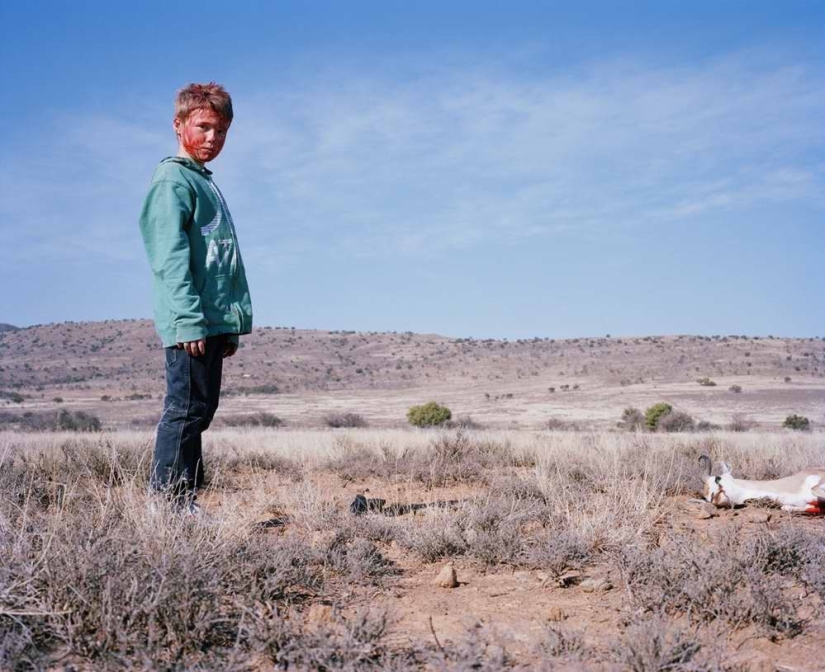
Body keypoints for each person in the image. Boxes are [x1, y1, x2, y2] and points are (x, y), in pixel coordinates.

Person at [139, 82, 253, 513]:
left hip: (209, 322)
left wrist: (226, 325)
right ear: (178, 125)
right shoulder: (172, 180)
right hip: (189, 322)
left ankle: (185, 500)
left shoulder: (204, 183)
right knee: (184, 411)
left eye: (221, 131)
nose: (212, 138)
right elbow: (168, 257)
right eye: (203, 127)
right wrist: (188, 319)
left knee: (200, 411)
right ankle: (166, 505)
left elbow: (219, 263)